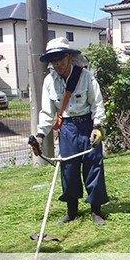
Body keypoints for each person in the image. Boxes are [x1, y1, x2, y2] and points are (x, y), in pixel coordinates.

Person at [35, 37, 108, 226]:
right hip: (67, 128)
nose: (57, 64)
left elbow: (97, 104)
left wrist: (97, 126)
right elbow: (47, 112)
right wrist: (40, 135)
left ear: (69, 57)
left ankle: (96, 210)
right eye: (53, 60)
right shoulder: (49, 81)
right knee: (69, 170)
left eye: (60, 58)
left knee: (94, 166)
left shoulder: (85, 76)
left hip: (87, 125)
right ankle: (72, 211)